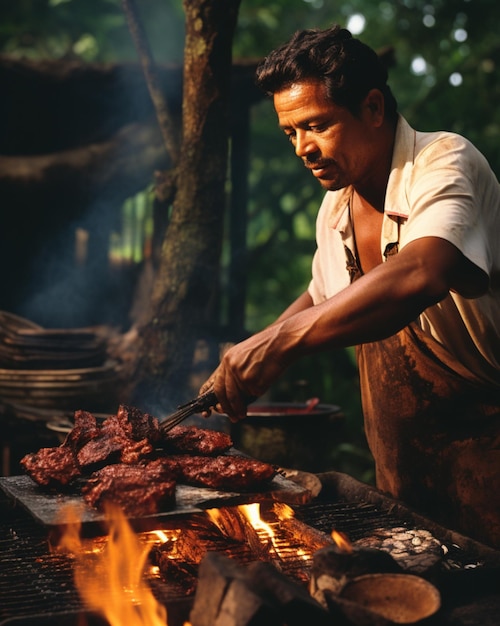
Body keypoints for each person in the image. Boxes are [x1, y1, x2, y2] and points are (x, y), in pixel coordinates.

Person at [200, 25, 500, 548]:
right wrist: (250, 357)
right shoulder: (335, 206)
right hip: (406, 481)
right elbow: (322, 299)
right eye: (290, 132)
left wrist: (277, 344)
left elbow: (420, 271)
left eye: (316, 125)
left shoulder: (444, 162)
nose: (302, 149)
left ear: (374, 108)